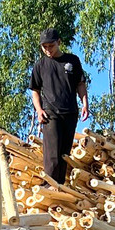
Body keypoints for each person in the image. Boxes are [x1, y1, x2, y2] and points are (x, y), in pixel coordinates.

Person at [29, 28, 89, 184]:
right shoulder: (40, 65)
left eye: (51, 46)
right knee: (52, 154)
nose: (48, 50)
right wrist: (39, 110)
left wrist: (85, 104)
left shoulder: (72, 61)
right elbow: (35, 90)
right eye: (45, 47)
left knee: (64, 154)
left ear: (59, 42)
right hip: (50, 113)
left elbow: (80, 84)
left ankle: (59, 187)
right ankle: (48, 185)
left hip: (70, 112)